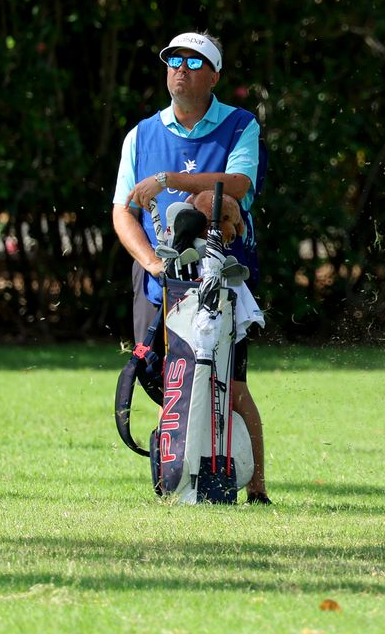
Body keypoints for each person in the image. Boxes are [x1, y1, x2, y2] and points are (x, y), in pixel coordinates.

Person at [112, 31, 271, 505]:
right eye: (174, 59)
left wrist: (168, 180)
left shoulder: (240, 125)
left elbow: (239, 184)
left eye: (194, 61)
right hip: (159, 279)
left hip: (224, 278)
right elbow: (122, 211)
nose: (181, 66)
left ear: (215, 75)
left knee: (231, 385)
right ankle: (186, 469)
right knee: (163, 380)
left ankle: (256, 485)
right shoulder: (141, 134)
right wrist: (152, 262)